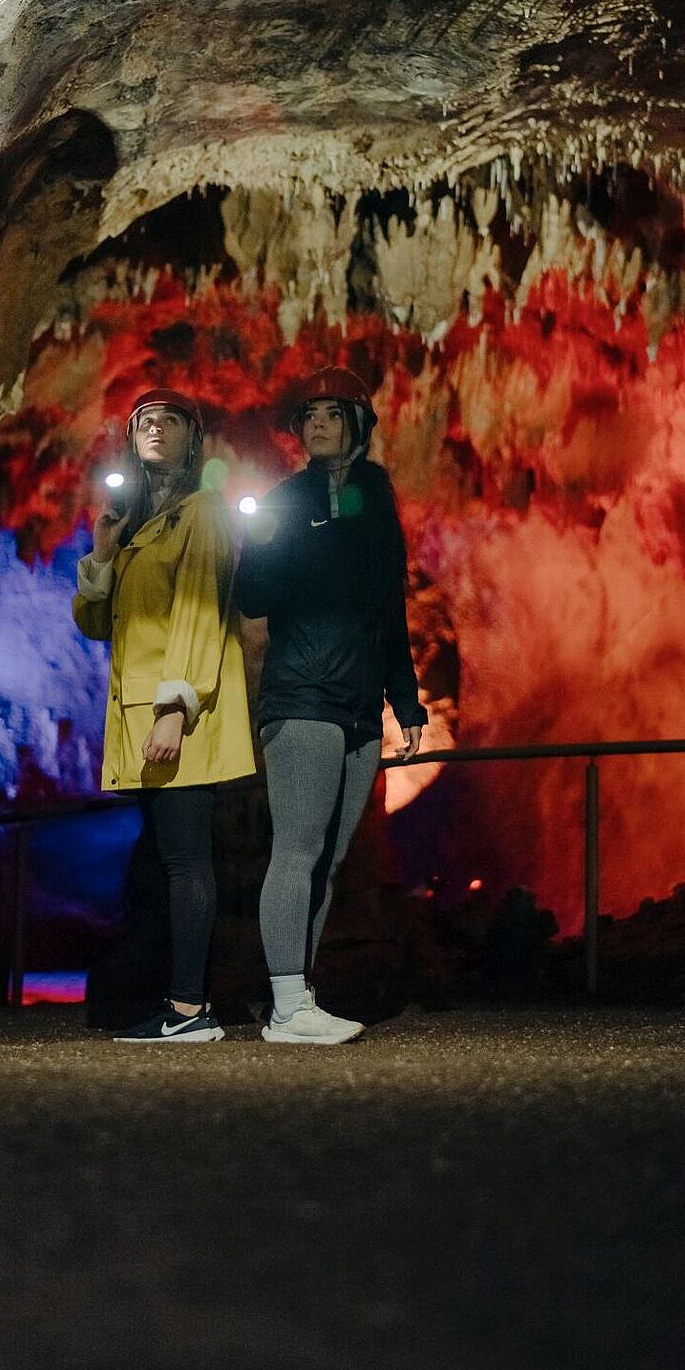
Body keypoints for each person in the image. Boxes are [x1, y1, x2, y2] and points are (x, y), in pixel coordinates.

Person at [236, 367, 426, 1044]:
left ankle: (298, 996)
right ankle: (288, 1004)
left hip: (358, 704)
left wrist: (405, 702)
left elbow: (389, 606)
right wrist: (257, 541)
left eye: (330, 412)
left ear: (356, 422)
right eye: (308, 413)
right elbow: (255, 597)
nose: (316, 422)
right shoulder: (286, 498)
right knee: (297, 847)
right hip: (303, 694)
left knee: (330, 859)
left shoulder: (374, 495)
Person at [74, 389, 254, 1042]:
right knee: (161, 864)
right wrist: (101, 551)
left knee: (185, 861)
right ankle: (176, 1002)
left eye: (168, 420)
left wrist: (176, 708)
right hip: (139, 722)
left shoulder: (201, 511)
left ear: (191, 437)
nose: (154, 429)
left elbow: (200, 610)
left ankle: (189, 1010)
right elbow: (98, 621)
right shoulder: (138, 528)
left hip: (178, 717)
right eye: (144, 421)